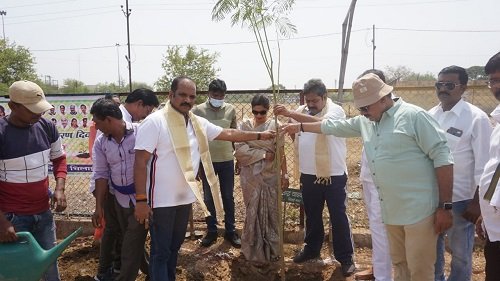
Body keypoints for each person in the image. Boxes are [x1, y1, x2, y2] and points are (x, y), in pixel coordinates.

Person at [280, 73, 454, 281]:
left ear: (384, 98)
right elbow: (332, 127)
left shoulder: (414, 117)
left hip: (418, 211)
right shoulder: (367, 121)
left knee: (420, 269)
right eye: (360, 109)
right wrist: (298, 127)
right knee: (400, 265)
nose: (363, 113)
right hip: (391, 211)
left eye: (366, 108)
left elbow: (443, 159)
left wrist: (445, 206)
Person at [133, 76, 275, 281]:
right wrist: (140, 200)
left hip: (184, 200)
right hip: (160, 202)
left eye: (191, 96)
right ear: (171, 95)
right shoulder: (155, 122)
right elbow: (139, 162)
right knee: (160, 252)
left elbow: (228, 133)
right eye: (182, 95)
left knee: (174, 250)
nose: (187, 100)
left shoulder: (195, 122)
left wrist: (260, 136)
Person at [274, 79, 355, 277]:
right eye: (308, 100)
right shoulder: (302, 110)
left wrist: (292, 116)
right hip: (309, 174)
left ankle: (345, 258)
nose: (310, 105)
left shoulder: (335, 110)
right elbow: (294, 132)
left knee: (338, 216)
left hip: (333, 175)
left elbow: (323, 125)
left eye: (314, 101)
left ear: (324, 97)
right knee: (312, 214)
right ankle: (311, 248)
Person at [429, 65, 492, 281]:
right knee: (432, 252)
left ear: (463, 87)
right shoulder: (430, 115)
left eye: (449, 85)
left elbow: (485, 165)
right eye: (440, 84)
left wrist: (477, 203)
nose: (443, 89)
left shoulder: (476, 118)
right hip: (432, 198)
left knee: (461, 255)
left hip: (462, 200)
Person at [0, 80, 67, 281]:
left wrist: (60, 189)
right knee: (16, 273)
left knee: (50, 267)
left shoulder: (47, 127)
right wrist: (1, 220)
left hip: (43, 214)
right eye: (32, 110)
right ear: (13, 106)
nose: (38, 114)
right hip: (12, 219)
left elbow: (59, 159)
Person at [90, 98, 148, 281]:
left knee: (130, 244)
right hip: (120, 200)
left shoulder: (141, 133)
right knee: (129, 239)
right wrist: (99, 207)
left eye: (97, 122)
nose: (96, 126)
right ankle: (152, 270)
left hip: (143, 199)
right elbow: (101, 175)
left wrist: (144, 200)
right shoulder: (101, 143)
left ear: (108, 119)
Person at [234, 94, 289, 263]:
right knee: (252, 211)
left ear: (268, 110)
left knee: (271, 212)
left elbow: (280, 152)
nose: (258, 116)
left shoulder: (276, 126)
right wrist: (263, 154)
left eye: (262, 112)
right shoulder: (244, 125)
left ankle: (271, 248)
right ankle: (251, 247)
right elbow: (240, 151)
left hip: (270, 176)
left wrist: (284, 174)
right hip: (250, 177)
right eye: (255, 112)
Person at [192, 79, 240, 248]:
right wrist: (197, 163)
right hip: (207, 162)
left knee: (228, 196)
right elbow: (195, 138)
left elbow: (234, 135)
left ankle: (230, 231)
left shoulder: (231, 109)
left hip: (227, 160)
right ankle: (211, 231)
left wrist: (238, 158)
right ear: (209, 94)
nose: (218, 98)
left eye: (221, 96)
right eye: (215, 95)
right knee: (208, 197)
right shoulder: (198, 111)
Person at [355, 69, 393, 281]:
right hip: (369, 178)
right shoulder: (369, 113)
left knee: (381, 232)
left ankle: (383, 276)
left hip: (385, 184)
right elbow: (335, 126)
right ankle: (379, 270)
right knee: (377, 230)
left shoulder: (400, 114)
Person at [476, 51, 500, 281]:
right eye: (493, 80)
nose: (496, 86)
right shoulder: (498, 122)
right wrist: (485, 213)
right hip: (495, 225)